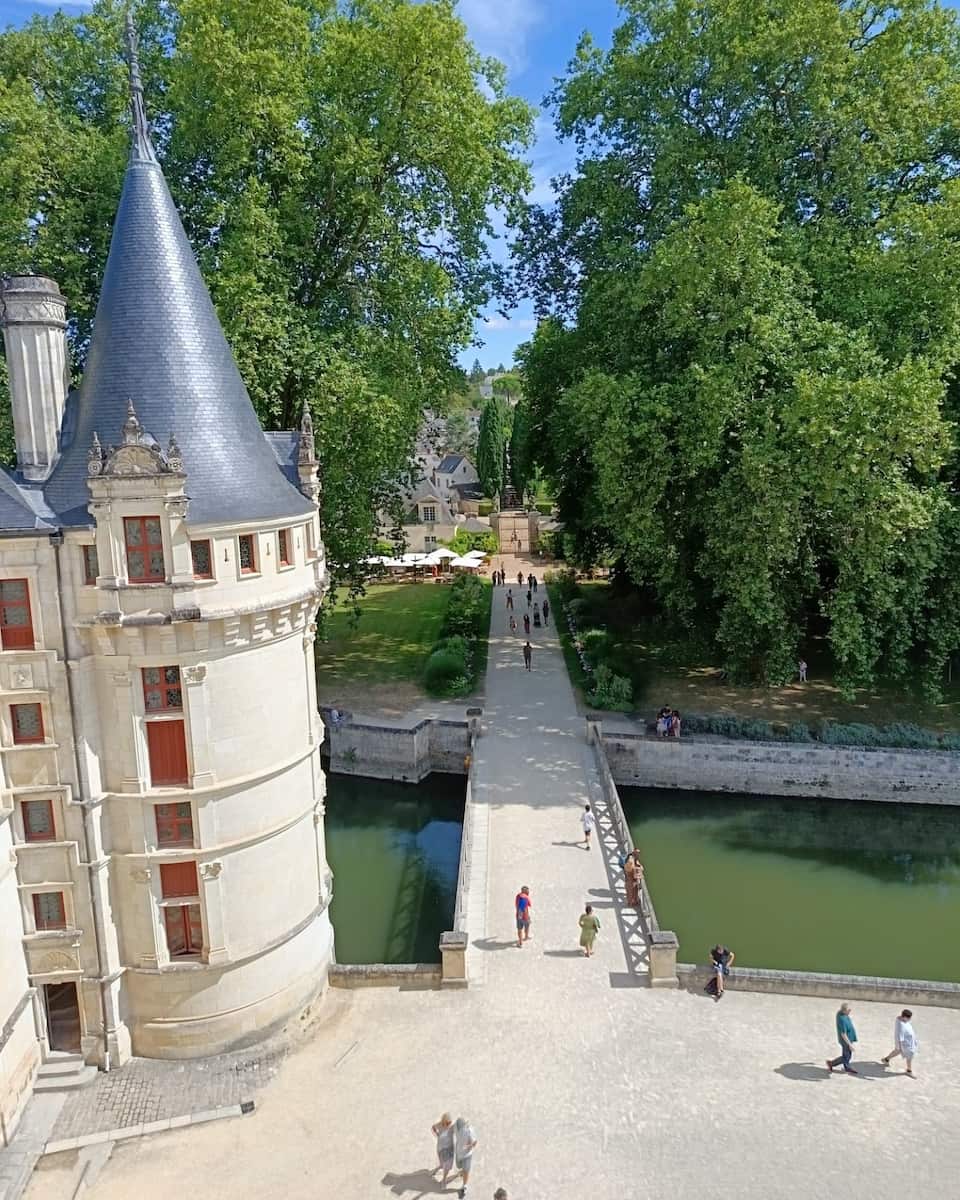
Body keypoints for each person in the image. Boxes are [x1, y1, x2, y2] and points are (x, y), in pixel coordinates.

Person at [883, 1009, 919, 1076]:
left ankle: (886, 1059)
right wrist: (901, 1047)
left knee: (897, 1051)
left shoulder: (900, 1019)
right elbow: (900, 1037)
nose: (910, 1019)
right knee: (909, 1056)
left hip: (907, 1042)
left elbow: (898, 1017)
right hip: (905, 1044)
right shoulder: (901, 1025)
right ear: (905, 1017)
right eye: (909, 1018)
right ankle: (909, 1070)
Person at [827, 1002, 858, 1074]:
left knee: (847, 1055)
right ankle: (831, 1063)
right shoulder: (842, 1019)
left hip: (849, 1038)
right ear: (844, 1011)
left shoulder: (841, 1013)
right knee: (846, 1057)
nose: (850, 1012)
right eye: (848, 1010)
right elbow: (843, 1034)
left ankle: (846, 1067)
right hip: (846, 1040)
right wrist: (850, 1044)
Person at [453, 1116, 477, 1199]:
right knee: (459, 1166)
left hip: (467, 1155)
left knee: (466, 1170)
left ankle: (464, 1186)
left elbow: (474, 1143)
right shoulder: (455, 1127)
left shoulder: (469, 1131)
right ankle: (461, 1173)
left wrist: (467, 1146)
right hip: (458, 1153)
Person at [432, 1113, 455, 1187]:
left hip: (449, 1149)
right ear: (444, 1121)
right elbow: (433, 1127)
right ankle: (440, 1166)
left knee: (447, 1166)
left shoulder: (452, 1126)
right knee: (442, 1162)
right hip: (440, 1148)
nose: (449, 1123)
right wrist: (437, 1134)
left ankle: (444, 1180)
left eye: (450, 1122)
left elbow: (459, 1128)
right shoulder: (439, 1124)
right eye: (448, 1122)